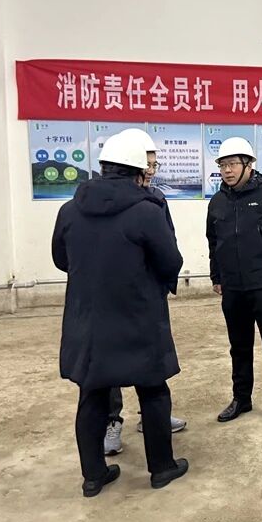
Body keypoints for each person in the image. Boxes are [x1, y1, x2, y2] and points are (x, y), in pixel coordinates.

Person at [52, 132, 189, 497]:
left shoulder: (69, 210)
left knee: (93, 394)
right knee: (153, 391)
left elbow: (61, 259)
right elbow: (170, 261)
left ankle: (93, 476)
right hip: (138, 316)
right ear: (138, 172)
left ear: (103, 168)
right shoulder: (147, 211)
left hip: (89, 320)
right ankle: (161, 468)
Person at [103, 128, 186, 456]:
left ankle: (153, 419)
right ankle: (112, 421)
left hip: (147, 296)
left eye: (154, 164)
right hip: (111, 297)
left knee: (150, 362)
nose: (150, 170)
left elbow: (168, 245)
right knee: (109, 366)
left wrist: (163, 282)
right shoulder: (103, 202)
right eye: (146, 164)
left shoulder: (156, 199)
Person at [205, 137, 262, 430]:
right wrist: (217, 277)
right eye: (223, 165)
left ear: (248, 165)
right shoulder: (217, 202)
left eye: (232, 164)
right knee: (239, 347)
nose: (227, 170)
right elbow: (213, 242)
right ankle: (241, 398)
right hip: (233, 289)